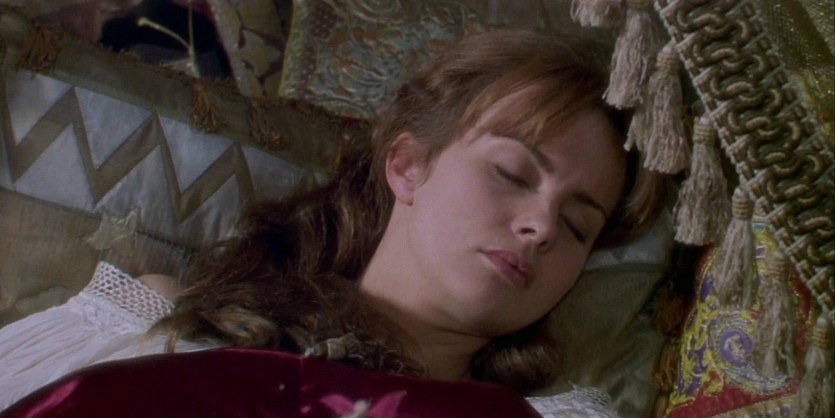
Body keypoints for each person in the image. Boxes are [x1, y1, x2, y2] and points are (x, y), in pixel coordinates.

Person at [0, 28, 665, 417]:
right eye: (512, 174)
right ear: (407, 166)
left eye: (577, 226)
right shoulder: (157, 324)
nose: (541, 227)